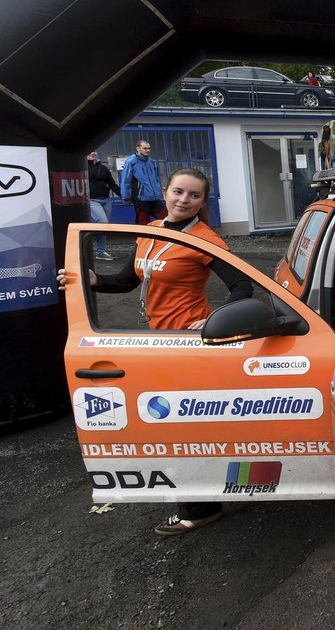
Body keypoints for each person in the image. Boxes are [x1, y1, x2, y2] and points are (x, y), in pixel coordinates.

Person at [58, 169, 253, 536]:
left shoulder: (204, 239)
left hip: (189, 345)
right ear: (165, 193)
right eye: (178, 192)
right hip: (160, 343)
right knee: (171, 427)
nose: (184, 200)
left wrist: (220, 320)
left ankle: (200, 507)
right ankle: (199, 502)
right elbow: (129, 279)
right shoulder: (151, 232)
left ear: (201, 202)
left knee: (184, 430)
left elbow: (243, 284)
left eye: (193, 196)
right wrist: (92, 280)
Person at [120, 139, 165, 225]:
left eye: (149, 148)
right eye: (145, 148)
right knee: (143, 223)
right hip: (141, 198)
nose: (148, 150)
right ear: (138, 148)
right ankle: (142, 239)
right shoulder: (131, 162)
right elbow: (126, 181)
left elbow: (155, 179)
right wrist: (126, 197)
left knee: (165, 219)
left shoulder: (150, 161)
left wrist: (159, 192)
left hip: (155, 197)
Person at [87, 150, 121, 260]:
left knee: (103, 227)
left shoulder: (103, 168)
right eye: (89, 151)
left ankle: (101, 251)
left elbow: (112, 184)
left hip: (106, 200)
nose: (92, 153)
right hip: (92, 200)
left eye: (94, 151)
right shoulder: (81, 168)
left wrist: (123, 196)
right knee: (103, 223)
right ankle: (94, 248)